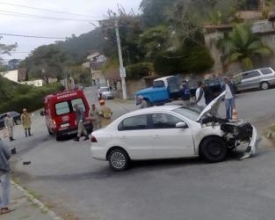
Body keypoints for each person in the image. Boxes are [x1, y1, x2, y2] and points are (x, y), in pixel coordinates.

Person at [0, 139, 13, 215]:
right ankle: (4, 207)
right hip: (2, 168)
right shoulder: (0, 143)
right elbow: (8, 154)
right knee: (5, 187)